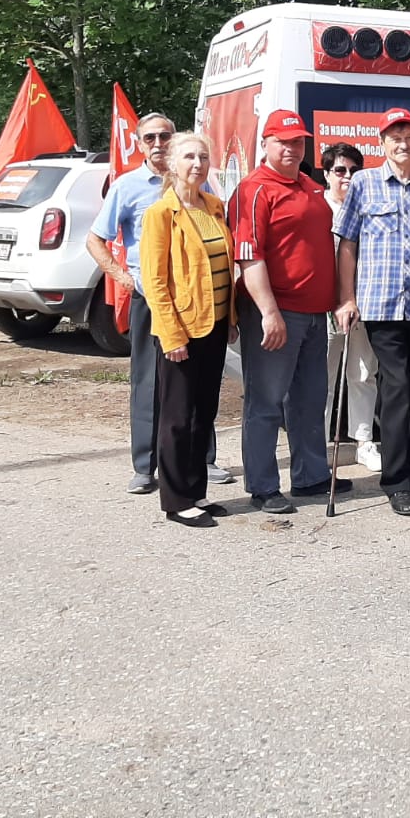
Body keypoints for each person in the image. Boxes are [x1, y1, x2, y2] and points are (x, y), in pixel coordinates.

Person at [87, 112, 231, 494]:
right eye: (149, 137)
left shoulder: (206, 193)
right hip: (151, 298)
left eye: (164, 136)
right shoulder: (128, 187)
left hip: (197, 301)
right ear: (139, 143)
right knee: (151, 383)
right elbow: (95, 240)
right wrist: (123, 277)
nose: (157, 143)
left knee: (199, 389)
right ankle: (145, 465)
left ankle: (204, 461)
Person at [334, 108, 410, 517]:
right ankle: (395, 480)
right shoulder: (364, 184)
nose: (402, 144)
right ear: (382, 143)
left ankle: (409, 465)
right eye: (394, 137)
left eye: (408, 137)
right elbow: (347, 244)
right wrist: (346, 299)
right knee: (397, 388)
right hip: (382, 305)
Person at [232, 110, 342, 516]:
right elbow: (249, 257)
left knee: (311, 400)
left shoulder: (310, 186)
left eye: (298, 142)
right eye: (284, 142)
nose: (293, 149)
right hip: (278, 312)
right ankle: (262, 485)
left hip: (314, 314)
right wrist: (268, 312)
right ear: (266, 143)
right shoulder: (254, 189)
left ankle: (311, 475)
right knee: (265, 403)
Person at [139, 133, 235, 528]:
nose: (198, 163)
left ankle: (197, 492)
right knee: (177, 417)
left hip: (213, 324)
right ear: (172, 164)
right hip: (182, 328)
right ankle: (176, 499)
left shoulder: (214, 206)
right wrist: (171, 334)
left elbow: (226, 267)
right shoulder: (161, 214)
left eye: (203, 157)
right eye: (189, 157)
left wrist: (231, 320)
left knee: (203, 413)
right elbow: (155, 282)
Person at [321, 142, 380, 473]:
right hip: (327, 306)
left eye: (354, 171)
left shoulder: (367, 208)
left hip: (364, 303)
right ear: (327, 174)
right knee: (324, 377)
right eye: (340, 170)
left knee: (362, 371)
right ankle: (319, 445)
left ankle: (363, 440)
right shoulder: (318, 208)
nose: (347, 177)